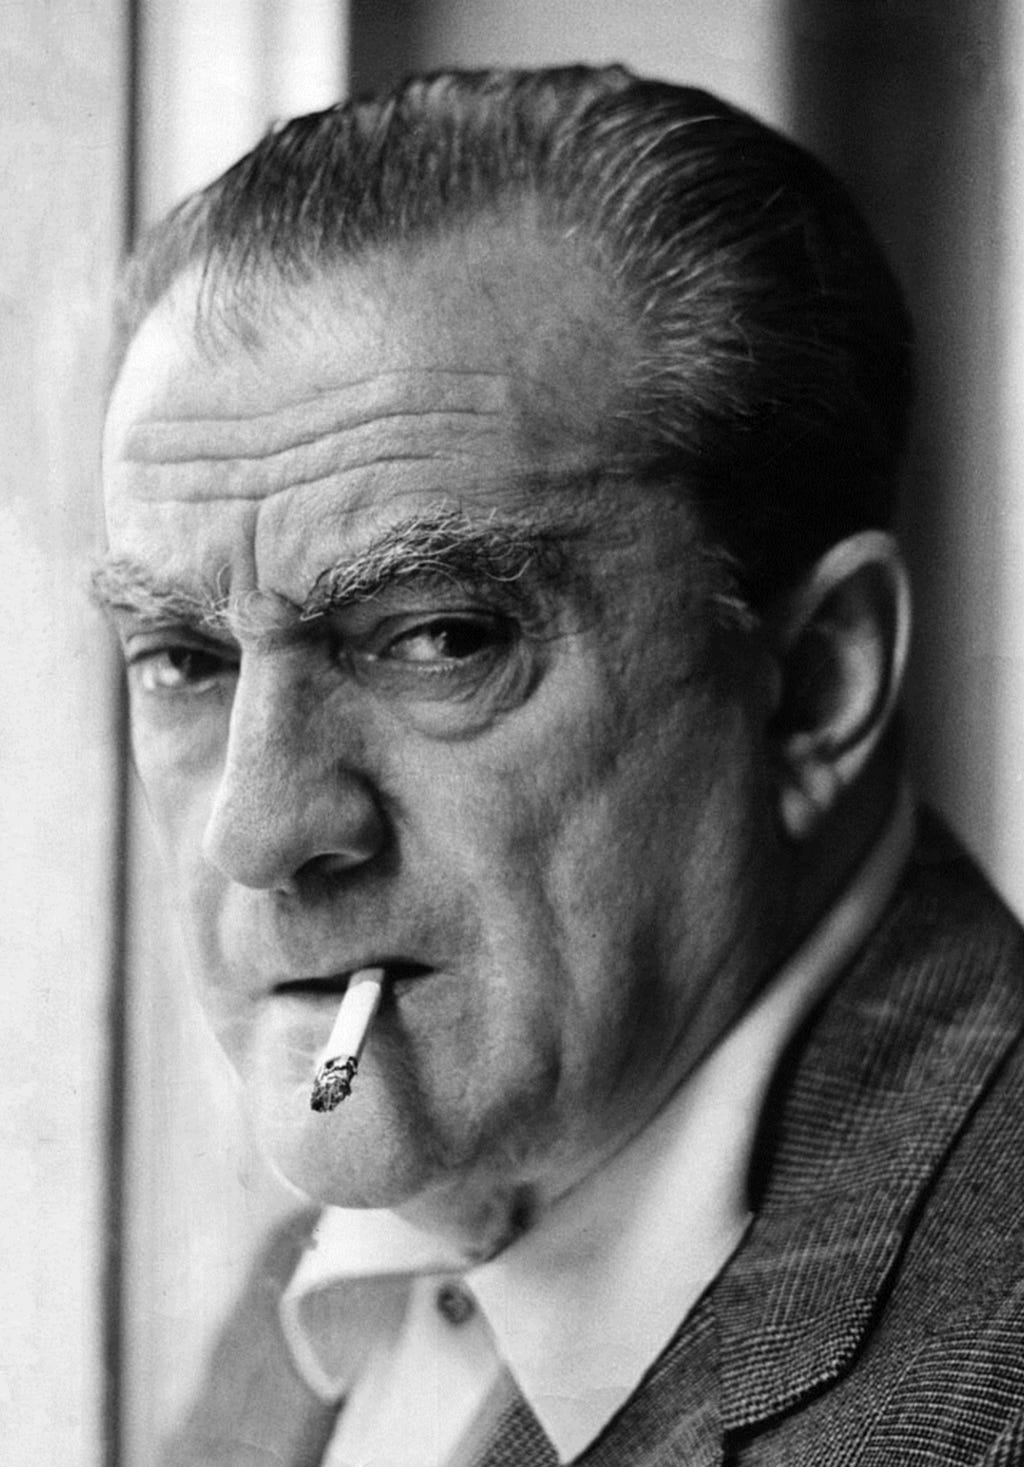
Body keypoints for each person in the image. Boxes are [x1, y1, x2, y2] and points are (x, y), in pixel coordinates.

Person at [95, 65, 1024, 1466]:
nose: (258, 829)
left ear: (819, 683)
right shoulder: (321, 1302)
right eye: (183, 660)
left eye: (441, 638)